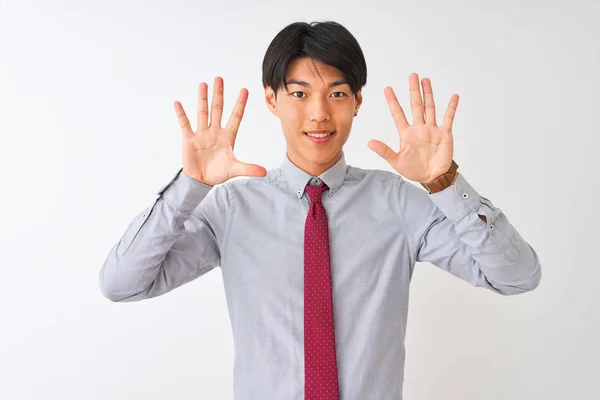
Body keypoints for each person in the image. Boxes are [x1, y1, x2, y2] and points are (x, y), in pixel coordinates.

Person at [99, 20, 542, 400]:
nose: (318, 113)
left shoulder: (399, 202)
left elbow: (518, 276)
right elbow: (122, 284)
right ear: (272, 100)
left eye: (337, 93)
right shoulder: (233, 207)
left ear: (357, 101)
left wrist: (444, 183)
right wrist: (188, 186)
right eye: (299, 93)